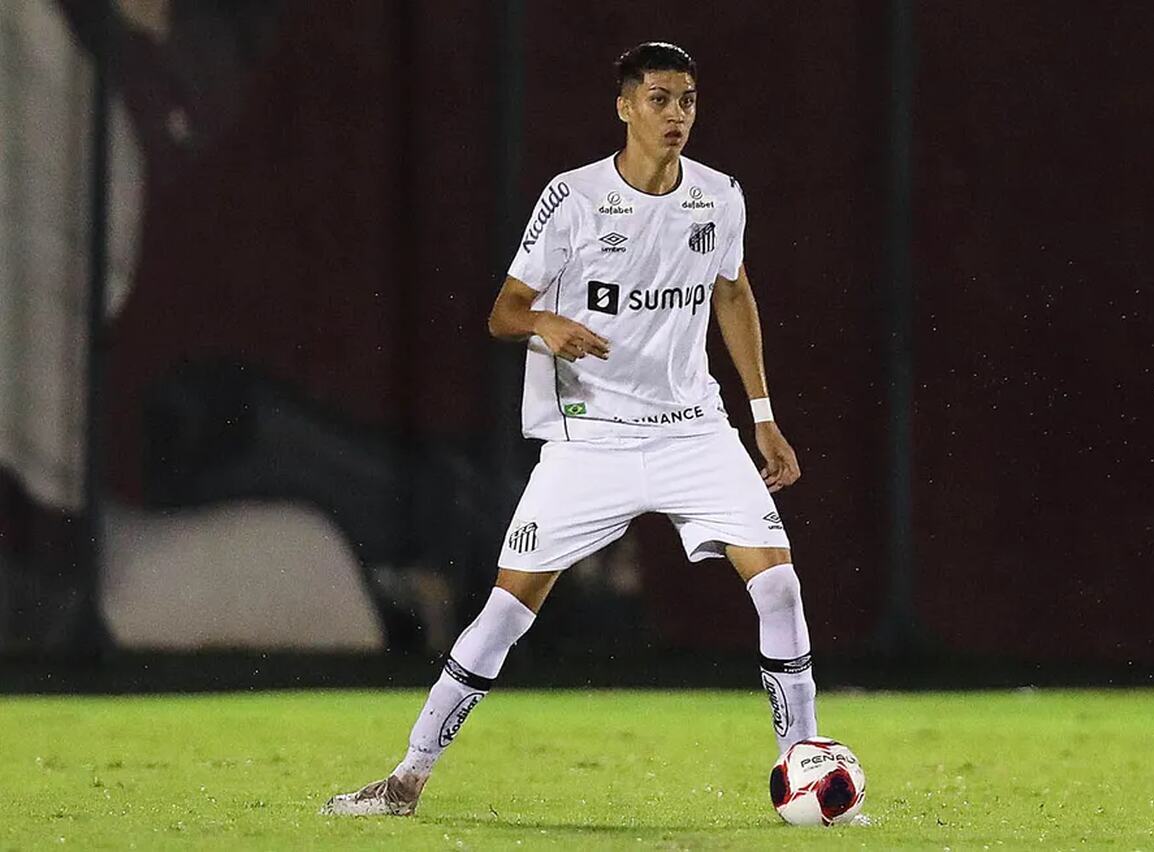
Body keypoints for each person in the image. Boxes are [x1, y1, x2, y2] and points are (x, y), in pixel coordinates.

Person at [323, 41, 817, 817]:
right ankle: (405, 779)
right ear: (624, 106)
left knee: (780, 586)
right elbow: (503, 313)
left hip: (693, 432)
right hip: (593, 440)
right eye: (659, 99)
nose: (676, 114)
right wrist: (546, 323)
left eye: (687, 99)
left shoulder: (719, 197)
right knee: (505, 611)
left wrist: (762, 416)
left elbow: (733, 294)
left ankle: (805, 770)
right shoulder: (574, 198)